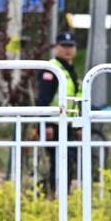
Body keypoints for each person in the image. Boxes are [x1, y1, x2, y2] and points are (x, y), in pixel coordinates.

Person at [36, 30, 83, 195]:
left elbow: (76, 101)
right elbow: (43, 99)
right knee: (61, 161)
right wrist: (46, 124)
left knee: (67, 160)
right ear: (56, 47)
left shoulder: (71, 70)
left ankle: (58, 193)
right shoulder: (52, 69)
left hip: (68, 124)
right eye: (64, 46)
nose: (67, 50)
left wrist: (78, 126)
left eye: (71, 46)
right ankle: (53, 193)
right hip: (54, 125)